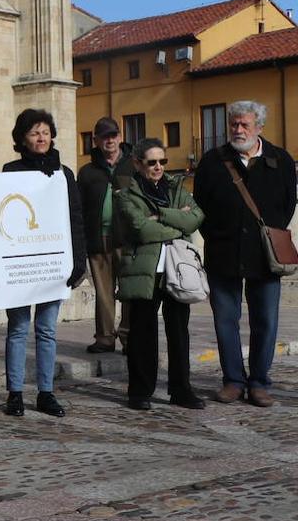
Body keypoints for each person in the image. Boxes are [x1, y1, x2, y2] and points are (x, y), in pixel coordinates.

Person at [194, 100, 297, 408]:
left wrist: (268, 234)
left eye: (244, 125)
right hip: (223, 253)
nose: (238, 130)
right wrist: (217, 236)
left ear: (259, 127)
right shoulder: (213, 161)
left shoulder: (280, 159)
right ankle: (233, 381)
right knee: (226, 320)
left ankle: (260, 382)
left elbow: (287, 205)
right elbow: (201, 206)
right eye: (234, 124)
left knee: (265, 320)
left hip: (265, 257)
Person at [0, 109, 86, 418]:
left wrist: (79, 261)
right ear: (22, 137)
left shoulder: (64, 174)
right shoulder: (10, 171)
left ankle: (46, 392)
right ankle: (15, 392)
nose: (41, 137)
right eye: (35, 132)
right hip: (23, 264)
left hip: (53, 265)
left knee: (47, 330)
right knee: (18, 329)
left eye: (46, 132)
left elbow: (75, 217)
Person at [114, 138, 204, 411]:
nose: (158, 167)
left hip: (177, 269)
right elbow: (141, 229)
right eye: (151, 162)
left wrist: (160, 215)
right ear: (137, 163)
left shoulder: (177, 188)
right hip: (145, 271)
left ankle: (181, 389)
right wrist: (177, 219)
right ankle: (140, 391)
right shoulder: (127, 193)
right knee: (142, 333)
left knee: (179, 332)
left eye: (162, 161)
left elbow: (196, 217)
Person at [78, 117, 132, 354]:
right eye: (104, 136)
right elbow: (80, 208)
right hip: (98, 238)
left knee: (130, 291)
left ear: (120, 137)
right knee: (103, 292)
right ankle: (105, 337)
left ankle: (130, 336)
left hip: (129, 240)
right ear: (96, 140)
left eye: (113, 135)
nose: (110, 140)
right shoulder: (87, 172)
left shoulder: (134, 166)